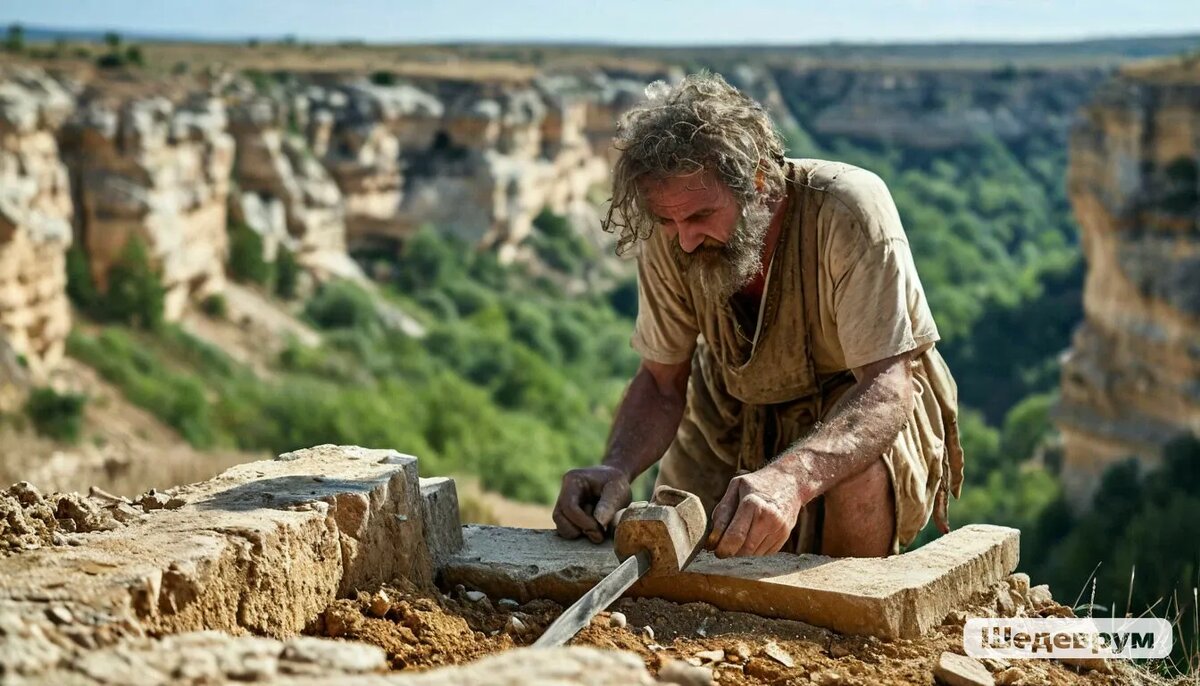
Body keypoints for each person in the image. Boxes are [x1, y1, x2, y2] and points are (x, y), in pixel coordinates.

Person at [552, 73, 964, 559]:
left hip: (857, 403)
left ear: (759, 184)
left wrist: (792, 477)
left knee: (859, 474)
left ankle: (842, 608)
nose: (685, 240)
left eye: (701, 217)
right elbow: (661, 382)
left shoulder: (847, 211)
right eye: (667, 220)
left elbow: (887, 386)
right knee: (683, 550)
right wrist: (616, 467)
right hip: (731, 403)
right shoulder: (673, 233)